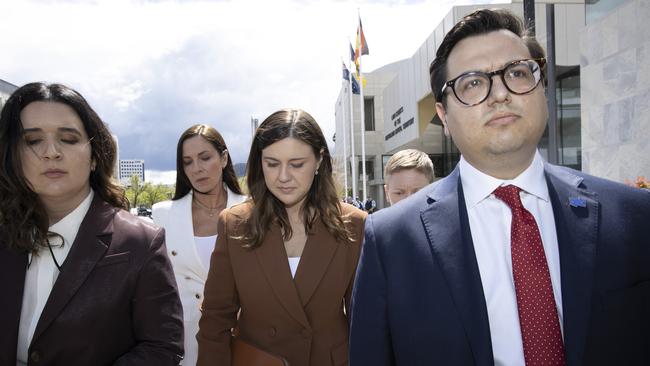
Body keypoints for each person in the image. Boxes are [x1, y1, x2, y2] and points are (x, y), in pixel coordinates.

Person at [349, 9, 650, 366]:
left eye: (517, 73)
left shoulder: (635, 218)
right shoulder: (390, 241)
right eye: (473, 83)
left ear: (542, 89)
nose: (500, 94)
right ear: (444, 116)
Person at [0, 82, 184, 365]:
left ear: (95, 156)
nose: (51, 152)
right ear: (13, 156)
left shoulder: (141, 242)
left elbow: (162, 348)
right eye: (33, 140)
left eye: (69, 139)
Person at [197, 109, 366, 366]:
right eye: (272, 164)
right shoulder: (234, 225)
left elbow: (365, 322)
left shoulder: (355, 224)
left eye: (297, 164)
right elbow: (215, 320)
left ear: (319, 160)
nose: (283, 177)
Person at [152, 124, 246, 366]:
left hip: (242, 337)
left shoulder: (252, 211)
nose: (197, 169)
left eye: (205, 157)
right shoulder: (163, 215)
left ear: (224, 158)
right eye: (188, 162)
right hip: (182, 342)